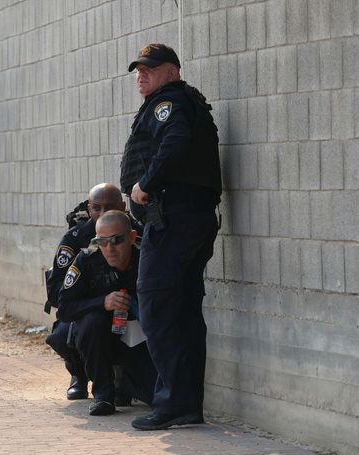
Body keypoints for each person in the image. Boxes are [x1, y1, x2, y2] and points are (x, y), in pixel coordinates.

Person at [120, 43, 222, 430]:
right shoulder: (181, 101)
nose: (141, 75)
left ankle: (171, 404)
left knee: (157, 308)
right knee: (183, 313)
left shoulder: (169, 103)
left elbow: (174, 141)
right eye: (138, 70)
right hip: (192, 220)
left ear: (172, 72)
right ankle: (186, 405)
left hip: (172, 221)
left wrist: (145, 183)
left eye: (151, 68)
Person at [44, 183, 141, 401]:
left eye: (110, 207)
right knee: (71, 332)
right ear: (89, 209)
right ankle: (79, 373)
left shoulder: (134, 232)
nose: (102, 213)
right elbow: (58, 293)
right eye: (97, 208)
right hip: (88, 309)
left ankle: (125, 380)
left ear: (123, 206)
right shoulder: (75, 239)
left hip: (128, 309)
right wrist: (97, 297)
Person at [57, 210, 156, 416]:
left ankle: (126, 384)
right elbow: (65, 308)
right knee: (91, 322)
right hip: (99, 336)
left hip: (137, 337)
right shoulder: (87, 261)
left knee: (154, 397)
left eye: (117, 240)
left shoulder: (146, 259)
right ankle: (103, 394)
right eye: (102, 241)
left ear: (131, 238)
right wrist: (103, 302)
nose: (109, 248)